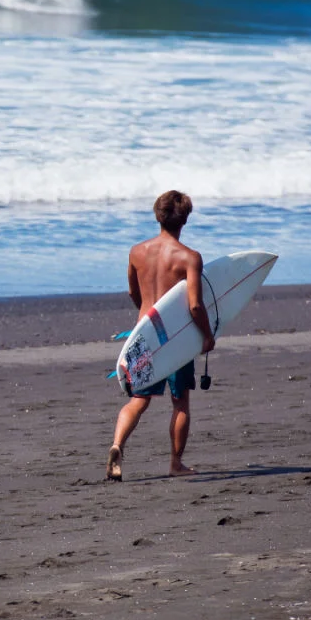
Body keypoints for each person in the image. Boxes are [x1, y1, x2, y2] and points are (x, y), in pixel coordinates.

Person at [106, 190, 216, 481]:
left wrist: (145, 319)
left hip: (145, 335)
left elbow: (133, 291)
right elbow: (194, 304)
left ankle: (117, 445)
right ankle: (176, 463)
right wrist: (207, 336)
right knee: (180, 402)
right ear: (185, 219)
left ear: (158, 215)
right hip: (176, 338)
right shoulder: (189, 258)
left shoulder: (137, 252)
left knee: (138, 401)